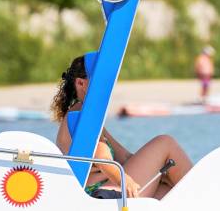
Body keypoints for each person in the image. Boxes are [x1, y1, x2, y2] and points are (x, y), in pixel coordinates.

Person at [52, 55, 192, 199]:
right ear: (81, 83)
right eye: (101, 80)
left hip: (104, 192)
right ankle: (204, 191)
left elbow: (125, 156)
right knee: (165, 142)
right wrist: (126, 181)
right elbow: (102, 160)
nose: (109, 85)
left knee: (169, 191)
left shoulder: (83, 114)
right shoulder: (82, 115)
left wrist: (163, 174)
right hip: (102, 197)